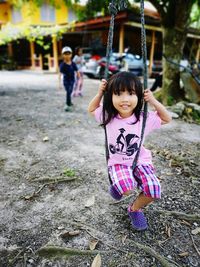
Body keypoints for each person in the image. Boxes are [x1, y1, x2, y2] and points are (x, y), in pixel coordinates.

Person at [88, 71, 171, 231]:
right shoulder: (108, 116)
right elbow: (92, 109)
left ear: (139, 97)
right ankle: (118, 186)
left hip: (140, 161)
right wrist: (99, 93)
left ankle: (134, 209)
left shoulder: (143, 118)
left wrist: (153, 101)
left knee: (154, 189)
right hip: (118, 163)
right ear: (110, 97)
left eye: (131, 93)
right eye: (118, 94)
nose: (125, 99)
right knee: (126, 189)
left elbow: (167, 118)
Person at [58, 46, 80, 111]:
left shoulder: (73, 63)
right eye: (65, 54)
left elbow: (77, 70)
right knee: (68, 91)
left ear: (71, 54)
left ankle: (68, 103)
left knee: (69, 91)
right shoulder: (62, 65)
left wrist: (78, 76)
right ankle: (68, 103)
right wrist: (59, 84)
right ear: (63, 55)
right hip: (66, 81)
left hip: (72, 80)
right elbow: (60, 74)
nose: (67, 55)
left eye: (68, 54)